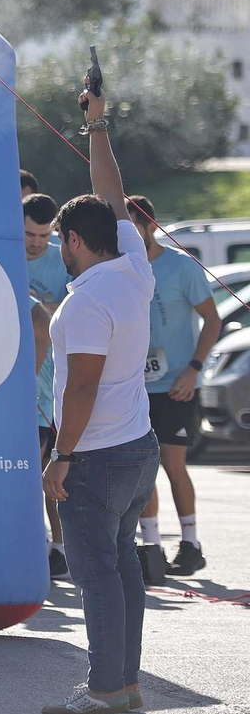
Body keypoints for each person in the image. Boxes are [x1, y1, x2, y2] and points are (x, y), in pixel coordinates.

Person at [40, 74, 161, 714]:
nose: (58, 249)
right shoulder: (133, 265)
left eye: (60, 239)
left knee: (98, 579)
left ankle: (107, 689)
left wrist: (60, 457)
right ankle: (125, 683)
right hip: (137, 448)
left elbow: (82, 387)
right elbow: (113, 195)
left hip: (96, 457)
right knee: (123, 570)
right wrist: (96, 124)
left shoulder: (86, 301)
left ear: (75, 241)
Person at [126, 195, 218, 578]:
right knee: (141, 467)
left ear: (151, 225)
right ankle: (153, 548)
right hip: (135, 387)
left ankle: (190, 543)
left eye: (134, 229)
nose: (128, 238)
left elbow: (212, 320)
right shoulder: (120, 268)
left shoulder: (181, 266)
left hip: (177, 385)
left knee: (172, 463)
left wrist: (193, 370)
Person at [25, 192, 73, 580]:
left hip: (54, 383)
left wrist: (41, 310)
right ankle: (36, 543)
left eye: (44, 235)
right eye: (29, 234)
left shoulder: (63, 260)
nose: (37, 243)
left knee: (52, 472)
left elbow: (76, 307)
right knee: (30, 471)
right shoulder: (3, 256)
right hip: (16, 385)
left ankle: (60, 546)